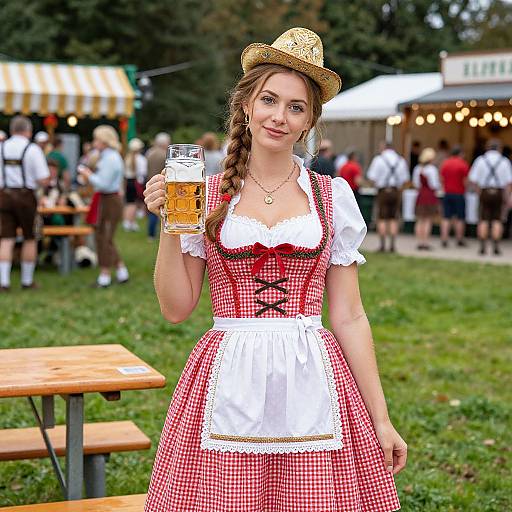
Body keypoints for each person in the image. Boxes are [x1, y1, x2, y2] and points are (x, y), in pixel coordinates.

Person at [143, 27, 405, 512]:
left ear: (310, 122)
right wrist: (169, 226)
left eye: (296, 107)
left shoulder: (332, 197)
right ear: (246, 105)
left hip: (313, 377)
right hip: (228, 375)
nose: (279, 117)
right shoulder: (205, 193)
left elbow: (349, 316)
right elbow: (177, 308)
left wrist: (381, 419)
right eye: (269, 100)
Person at [0, 115, 49, 290]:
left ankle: (3, 282)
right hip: (26, 197)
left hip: (4, 196)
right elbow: (43, 179)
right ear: (28, 131)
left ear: (12, 130)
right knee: (30, 237)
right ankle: (27, 281)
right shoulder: (33, 149)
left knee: (6, 239)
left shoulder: (2, 147)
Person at [77, 125, 129, 287]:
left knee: (104, 238)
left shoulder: (110, 158)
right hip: (108, 199)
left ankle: (105, 275)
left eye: (96, 139)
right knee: (105, 237)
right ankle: (120, 271)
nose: (94, 142)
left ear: (104, 141)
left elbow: (104, 184)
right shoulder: (108, 156)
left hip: (109, 199)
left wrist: (88, 175)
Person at [469, 139, 512, 255]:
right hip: (499, 192)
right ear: (499, 148)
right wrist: (507, 197)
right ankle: (496, 247)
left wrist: (479, 192)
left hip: (484, 191)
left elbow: (473, 180)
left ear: (487, 147)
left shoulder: (480, 160)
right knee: (497, 220)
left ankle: (482, 246)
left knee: (483, 219)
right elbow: (508, 183)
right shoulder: (504, 161)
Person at [367, 142, 409, 252]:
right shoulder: (401, 160)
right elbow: (405, 179)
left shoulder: (378, 160)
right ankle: (392, 245)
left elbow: (371, 177)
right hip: (396, 190)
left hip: (382, 191)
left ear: (383, 148)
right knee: (394, 218)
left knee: (382, 218)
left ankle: (382, 245)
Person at [440, 146, 470, 247]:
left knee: (446, 217)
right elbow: (466, 180)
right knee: (460, 218)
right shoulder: (463, 164)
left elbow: (441, 178)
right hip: (459, 193)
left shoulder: (445, 163)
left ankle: (444, 238)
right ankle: (459, 239)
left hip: (447, 193)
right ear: (460, 153)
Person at [412, 147, 440, 250]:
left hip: (421, 195)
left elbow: (416, 184)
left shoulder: (417, 168)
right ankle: (425, 242)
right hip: (429, 195)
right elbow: (434, 185)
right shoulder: (432, 170)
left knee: (420, 220)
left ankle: (419, 241)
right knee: (428, 220)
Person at [145, 132, 170, 241]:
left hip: (150, 182)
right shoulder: (165, 154)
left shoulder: (149, 153)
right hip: (162, 184)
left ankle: (150, 234)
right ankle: (158, 233)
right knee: (160, 210)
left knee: (152, 210)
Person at [123, 137, 147, 232]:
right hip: (136, 182)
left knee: (128, 202)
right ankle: (130, 222)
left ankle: (127, 221)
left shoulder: (127, 158)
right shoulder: (141, 159)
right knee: (134, 203)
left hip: (128, 181)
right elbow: (143, 172)